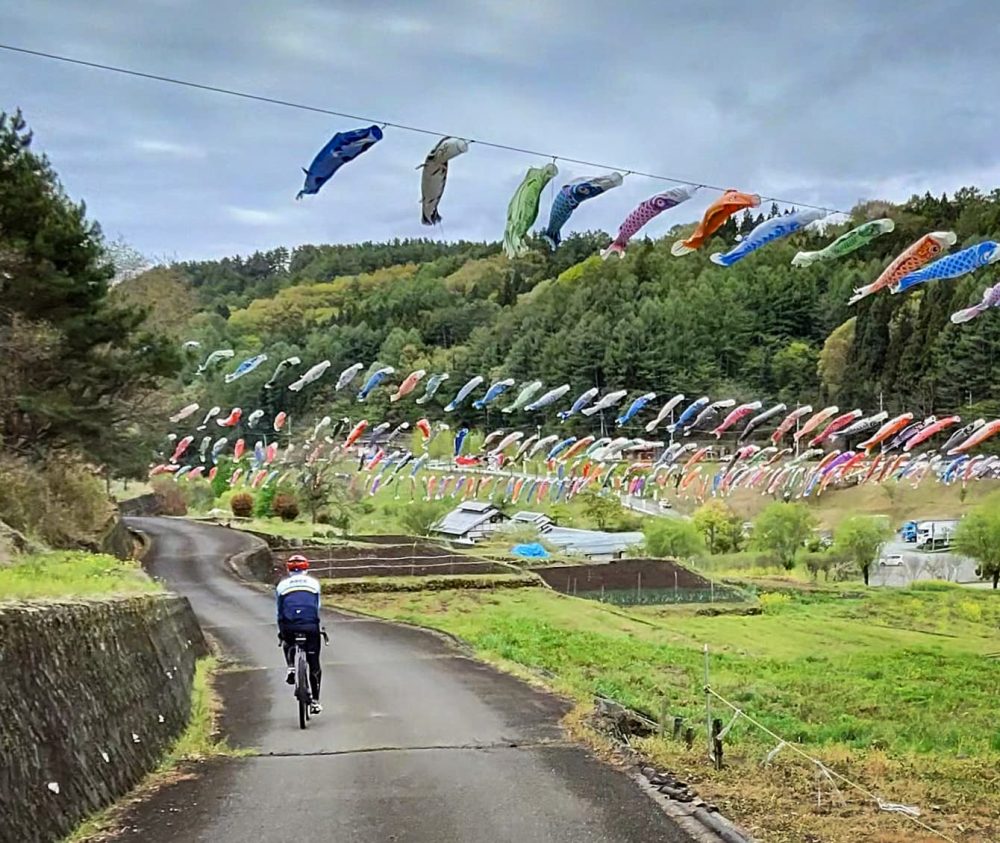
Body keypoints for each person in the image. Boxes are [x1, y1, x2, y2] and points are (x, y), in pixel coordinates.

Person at [275, 554, 324, 715]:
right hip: (310, 625)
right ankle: (315, 701)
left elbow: (279, 610)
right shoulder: (314, 584)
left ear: (288, 569)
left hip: (289, 626)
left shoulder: (282, 585)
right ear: (306, 568)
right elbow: (317, 606)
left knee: (287, 641)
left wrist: (281, 630)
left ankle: (291, 667)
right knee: (314, 664)